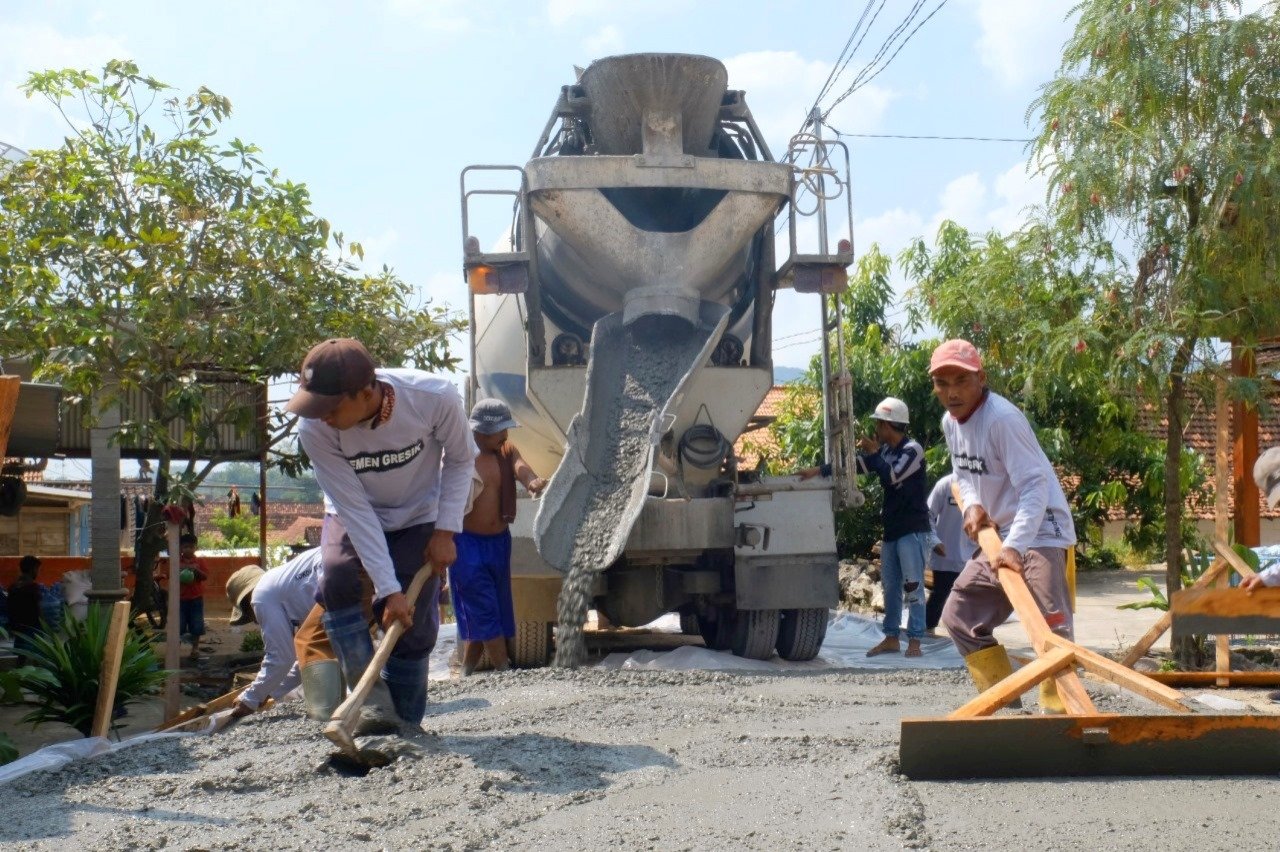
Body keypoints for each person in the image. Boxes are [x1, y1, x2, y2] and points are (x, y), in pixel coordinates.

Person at [291, 338, 476, 734]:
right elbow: (355, 510)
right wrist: (387, 589)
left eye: (331, 407)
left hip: (420, 513)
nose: (320, 416)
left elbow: (461, 459)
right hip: (354, 511)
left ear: (366, 392)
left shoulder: (432, 397)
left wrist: (446, 530)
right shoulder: (315, 429)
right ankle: (371, 707)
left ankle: (405, 724)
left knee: (415, 622)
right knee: (338, 577)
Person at [930, 339, 1076, 714]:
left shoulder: (1002, 420)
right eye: (942, 383)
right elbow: (961, 473)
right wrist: (974, 506)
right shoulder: (951, 422)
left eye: (960, 381)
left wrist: (1017, 546)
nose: (951, 392)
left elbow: (1034, 486)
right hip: (999, 537)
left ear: (982, 378)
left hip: (1040, 530)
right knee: (959, 617)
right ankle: (1003, 703)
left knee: (1050, 625)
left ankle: (1059, 717)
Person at [800, 396, 932, 658]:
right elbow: (856, 467)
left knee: (913, 587)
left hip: (912, 530)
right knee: (891, 586)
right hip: (893, 530)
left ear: (887, 425)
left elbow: (893, 475)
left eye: (878, 424)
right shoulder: (886, 452)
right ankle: (892, 637)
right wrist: (818, 471)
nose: (875, 431)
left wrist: (874, 454)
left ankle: (915, 641)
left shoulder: (912, 450)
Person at [452, 399, 547, 676]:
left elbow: (521, 468)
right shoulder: (462, 456)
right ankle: (504, 669)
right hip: (466, 544)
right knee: (482, 605)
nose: (505, 436)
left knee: (496, 605)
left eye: (507, 430)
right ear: (480, 432)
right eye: (499, 431)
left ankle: (467, 671)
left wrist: (532, 481)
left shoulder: (506, 450)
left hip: (498, 542)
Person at [225, 548, 342, 721]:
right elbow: (302, 658)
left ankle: (336, 712)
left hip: (336, 576)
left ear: (247, 601)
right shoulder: (284, 586)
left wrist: (251, 698)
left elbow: (281, 657)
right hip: (349, 566)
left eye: (249, 615)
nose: (255, 620)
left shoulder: (261, 597)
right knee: (314, 643)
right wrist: (268, 692)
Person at [156, 533, 209, 661]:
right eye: (185, 547)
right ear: (180, 548)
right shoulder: (176, 562)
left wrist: (196, 571)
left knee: (196, 625)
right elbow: (169, 575)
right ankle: (175, 650)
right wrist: (180, 572)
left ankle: (195, 648)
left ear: (195, 548)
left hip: (196, 598)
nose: (188, 550)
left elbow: (205, 576)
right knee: (178, 625)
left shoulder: (200, 561)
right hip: (179, 599)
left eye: (191, 547)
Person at [925, 473, 966, 636]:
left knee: (968, 600)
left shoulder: (983, 484)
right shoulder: (946, 484)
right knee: (940, 596)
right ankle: (925, 634)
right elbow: (927, 514)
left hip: (973, 557)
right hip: (946, 555)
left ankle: (964, 639)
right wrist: (934, 541)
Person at [8, 555, 43, 662]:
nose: (38, 572)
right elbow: (38, 609)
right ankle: (38, 672)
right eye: (37, 569)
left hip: (18, 626)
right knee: (39, 652)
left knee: (21, 654)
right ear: (33, 570)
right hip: (32, 627)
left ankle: (20, 673)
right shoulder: (33, 588)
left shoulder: (13, 586)